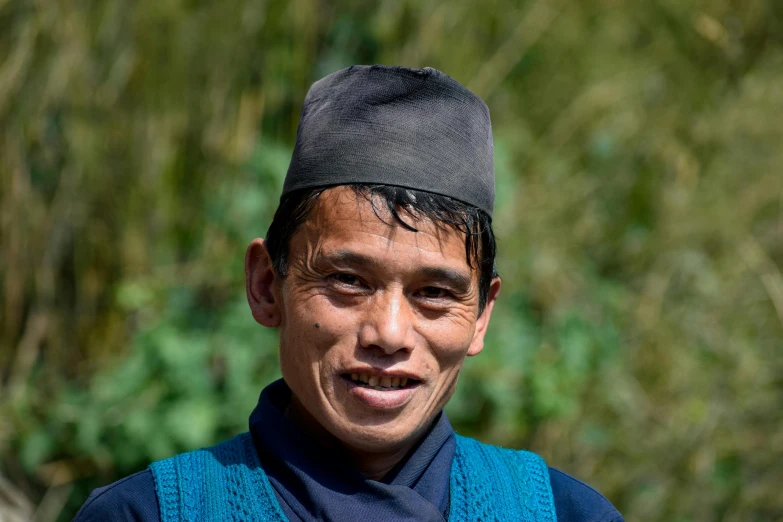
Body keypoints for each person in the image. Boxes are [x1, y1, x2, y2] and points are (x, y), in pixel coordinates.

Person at [73, 65, 624, 522]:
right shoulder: (148, 514)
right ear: (267, 284)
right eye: (348, 281)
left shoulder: (562, 513)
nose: (388, 333)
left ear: (481, 315)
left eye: (434, 292)